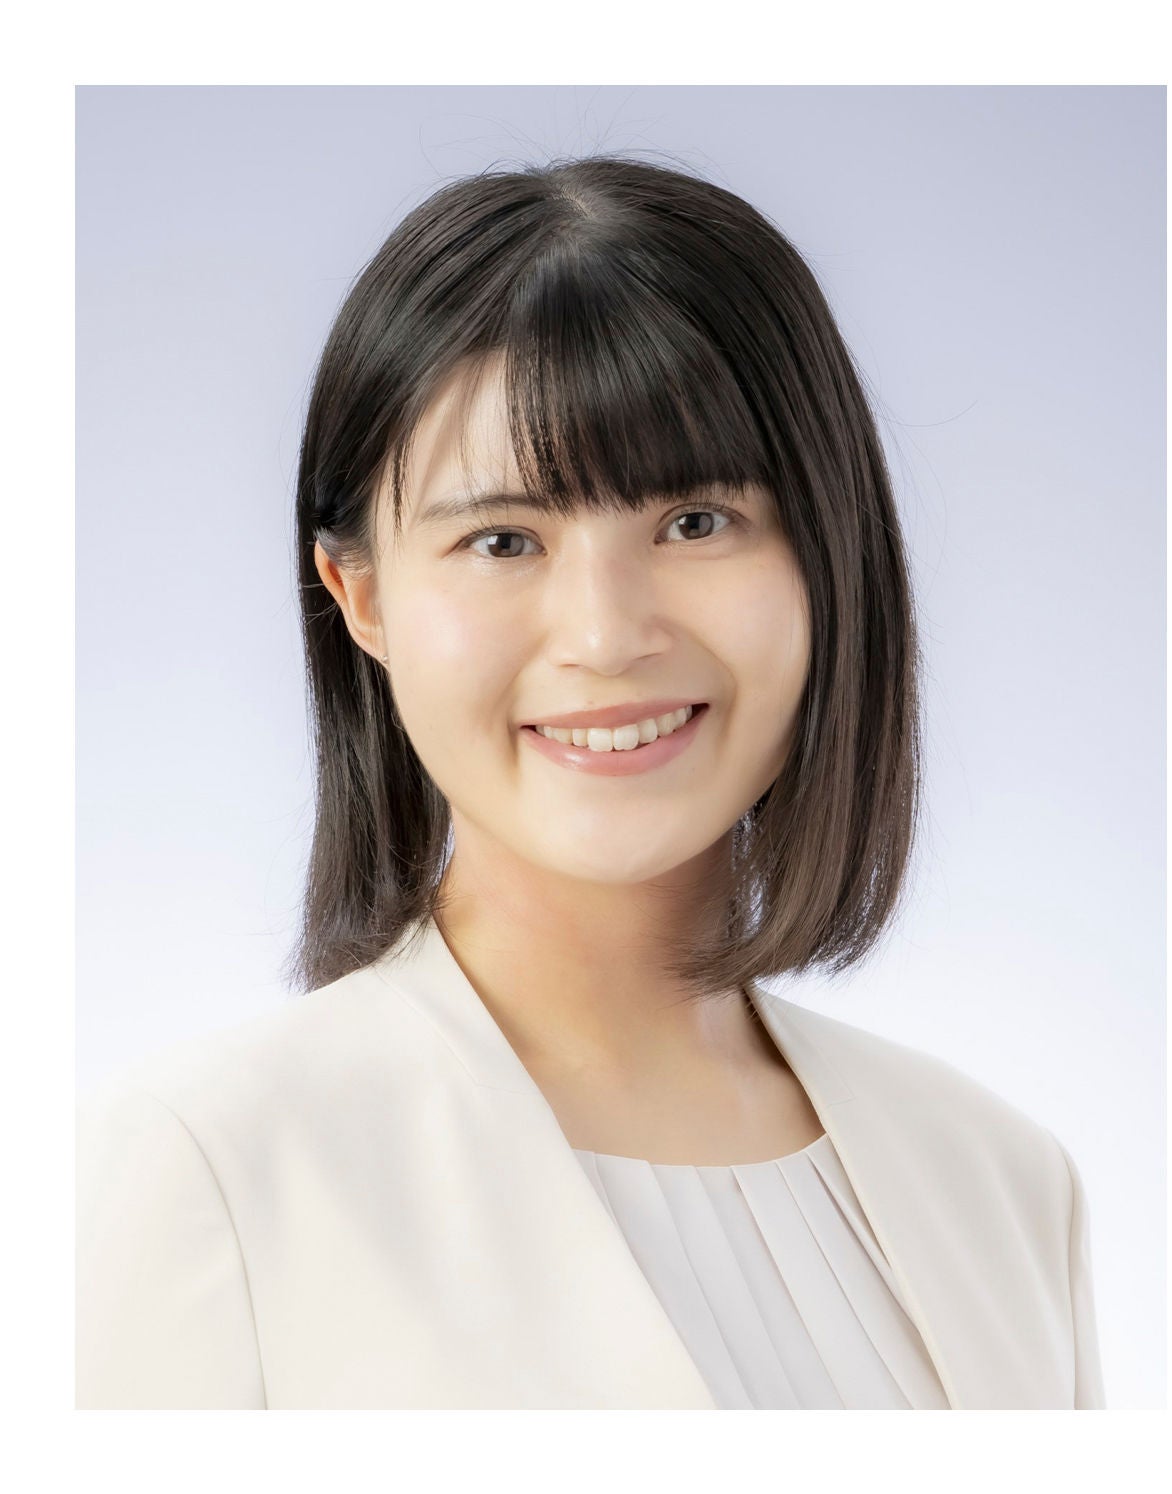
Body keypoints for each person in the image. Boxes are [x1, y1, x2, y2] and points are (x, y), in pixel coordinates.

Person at [76, 153, 1105, 1410]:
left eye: (694, 522)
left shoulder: (1005, 1187)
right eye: (501, 540)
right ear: (361, 596)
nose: (607, 637)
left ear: (830, 556)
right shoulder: (216, 1172)